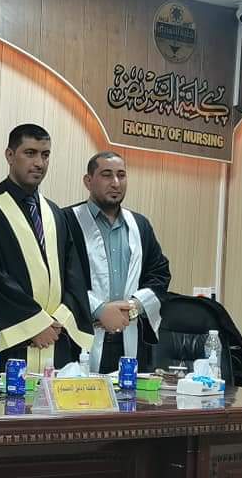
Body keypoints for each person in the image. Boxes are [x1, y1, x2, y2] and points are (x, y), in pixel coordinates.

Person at [0, 124, 93, 372]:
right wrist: (34, 324)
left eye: (45, 155)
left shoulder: (55, 213)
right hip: (10, 345)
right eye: (30, 153)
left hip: (55, 339)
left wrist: (59, 320)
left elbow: (73, 274)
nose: (39, 163)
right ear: (10, 155)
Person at [65, 151, 171, 373]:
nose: (115, 183)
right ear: (88, 181)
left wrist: (133, 307)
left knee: (130, 394)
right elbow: (60, 278)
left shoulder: (140, 225)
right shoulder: (66, 221)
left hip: (130, 339)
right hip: (79, 339)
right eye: (106, 175)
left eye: (121, 175)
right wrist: (99, 310)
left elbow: (159, 273)